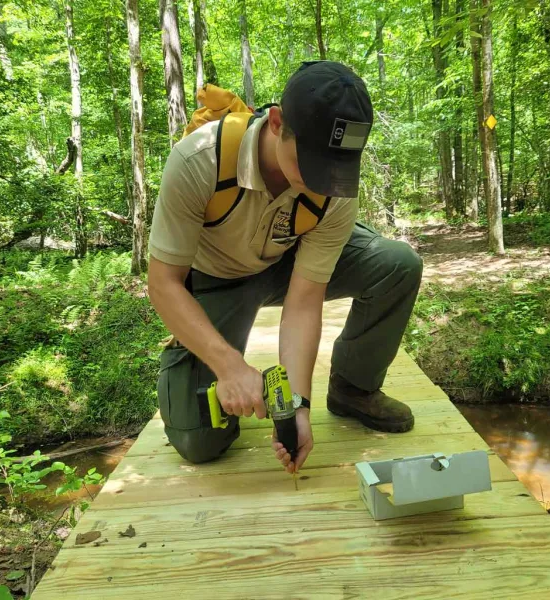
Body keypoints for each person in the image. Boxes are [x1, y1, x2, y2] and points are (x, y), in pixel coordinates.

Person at [147, 60, 423, 474]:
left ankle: (353, 390)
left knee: (397, 264)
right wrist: (229, 366)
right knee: (199, 441)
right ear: (277, 123)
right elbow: (163, 284)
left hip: (287, 260)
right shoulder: (198, 161)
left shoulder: (336, 188)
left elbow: (305, 299)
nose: (322, 182)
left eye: (335, 170)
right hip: (217, 278)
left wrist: (298, 405)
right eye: (311, 165)